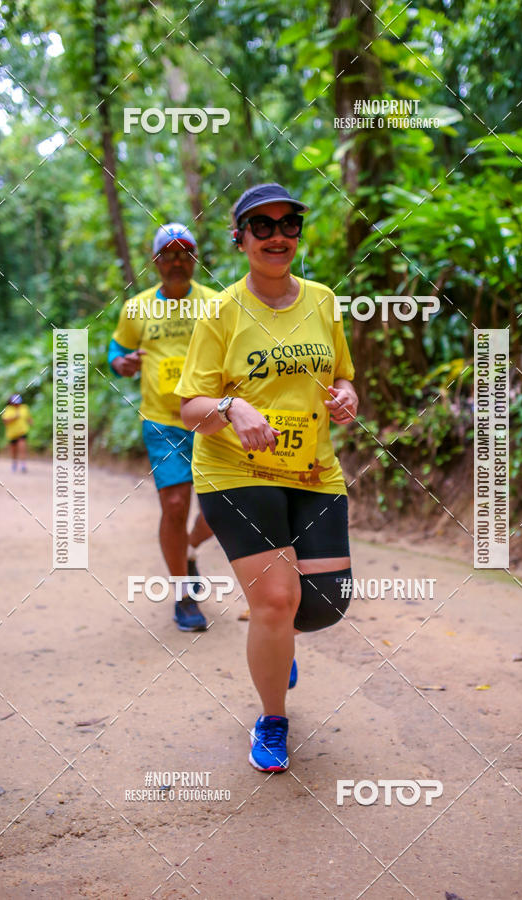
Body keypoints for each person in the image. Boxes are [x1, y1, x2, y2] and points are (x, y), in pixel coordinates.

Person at [176, 183, 358, 772]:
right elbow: (191, 410)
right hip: (236, 470)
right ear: (240, 238)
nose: (278, 235)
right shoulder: (221, 312)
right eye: (262, 226)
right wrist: (231, 407)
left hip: (312, 471)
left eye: (289, 224)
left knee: (325, 604)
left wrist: (346, 399)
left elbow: (346, 378)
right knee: (277, 601)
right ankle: (272, 718)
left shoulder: (325, 301)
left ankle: (278, 648)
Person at [109, 223, 217, 631]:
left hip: (212, 419)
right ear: (155, 261)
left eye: (183, 252)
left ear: (194, 259)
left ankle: (189, 552)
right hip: (162, 422)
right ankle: (183, 595)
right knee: (174, 506)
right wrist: (121, 362)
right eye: (167, 253)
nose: (176, 260)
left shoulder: (216, 303)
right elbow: (117, 349)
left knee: (217, 511)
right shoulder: (136, 307)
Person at [1, 394, 33, 472]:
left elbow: (28, 417)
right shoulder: (7, 409)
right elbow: (5, 421)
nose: (17, 404)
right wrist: (14, 417)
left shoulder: (24, 408)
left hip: (22, 431)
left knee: (22, 447)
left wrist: (30, 421)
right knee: (14, 450)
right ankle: (14, 463)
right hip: (12, 433)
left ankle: (23, 465)